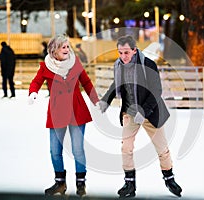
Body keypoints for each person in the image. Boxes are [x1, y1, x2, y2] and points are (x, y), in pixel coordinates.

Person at [98, 35, 182, 198]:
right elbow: (116, 84)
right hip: (130, 112)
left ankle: (169, 178)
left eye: (127, 52)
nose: (123, 56)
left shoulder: (148, 65)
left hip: (150, 112)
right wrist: (105, 101)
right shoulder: (119, 66)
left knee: (162, 149)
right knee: (126, 148)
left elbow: (156, 90)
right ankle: (129, 183)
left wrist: (143, 111)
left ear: (134, 50)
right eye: (120, 52)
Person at [28, 34, 99, 197]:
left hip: (76, 110)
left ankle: (81, 183)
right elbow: (36, 81)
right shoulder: (46, 66)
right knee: (54, 150)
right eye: (63, 47)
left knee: (77, 149)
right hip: (57, 110)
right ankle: (60, 182)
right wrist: (33, 92)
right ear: (54, 50)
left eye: (68, 46)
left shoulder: (75, 63)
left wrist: (95, 100)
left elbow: (86, 82)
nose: (67, 50)